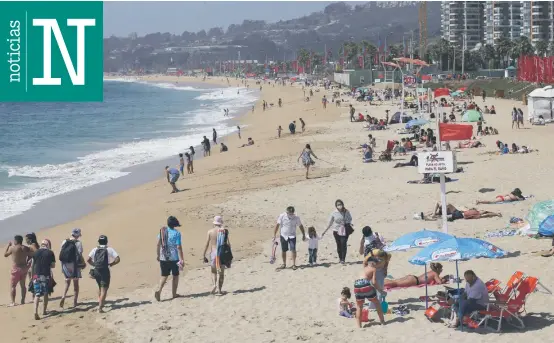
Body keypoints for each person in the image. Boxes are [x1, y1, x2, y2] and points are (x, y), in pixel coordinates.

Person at [87, 235, 120, 313]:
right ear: (106, 241)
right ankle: (100, 308)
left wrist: (94, 265)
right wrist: (111, 264)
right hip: (105, 271)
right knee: (104, 289)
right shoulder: (109, 249)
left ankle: (100, 303)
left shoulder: (95, 249)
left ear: (99, 241)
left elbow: (88, 259)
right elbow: (118, 259)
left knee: (100, 287)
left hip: (96, 270)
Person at [155, 216, 184, 301]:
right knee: (175, 275)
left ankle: (159, 290)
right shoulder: (177, 233)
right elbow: (178, 247)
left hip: (163, 257)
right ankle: (174, 294)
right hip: (174, 257)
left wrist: (158, 255)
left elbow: (158, 244)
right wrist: (182, 259)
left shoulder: (163, 232)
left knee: (164, 275)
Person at [354, 254, 386, 328]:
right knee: (377, 303)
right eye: (376, 263)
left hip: (356, 285)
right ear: (372, 263)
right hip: (365, 283)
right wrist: (380, 290)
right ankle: (382, 322)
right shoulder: (373, 269)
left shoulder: (363, 269)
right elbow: (374, 282)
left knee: (359, 306)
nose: (376, 265)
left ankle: (359, 326)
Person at [202, 216, 231, 295]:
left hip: (213, 253)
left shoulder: (210, 231)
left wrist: (203, 254)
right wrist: (229, 254)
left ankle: (214, 285)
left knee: (213, 271)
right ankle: (219, 290)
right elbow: (228, 244)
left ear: (214, 223)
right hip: (222, 253)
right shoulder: (224, 231)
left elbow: (207, 244)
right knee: (221, 273)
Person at [273, 206, 307, 270]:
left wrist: (303, 234)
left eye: (292, 213)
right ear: (287, 212)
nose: (291, 215)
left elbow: (300, 226)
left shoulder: (296, 217)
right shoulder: (282, 216)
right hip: (283, 235)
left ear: (293, 212)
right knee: (284, 250)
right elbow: (277, 225)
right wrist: (274, 234)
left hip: (292, 236)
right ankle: (284, 264)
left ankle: (294, 264)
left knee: (293, 250)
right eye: (289, 213)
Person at [59, 228, 85, 308]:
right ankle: (75, 302)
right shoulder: (78, 243)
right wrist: (83, 263)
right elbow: (79, 254)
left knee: (67, 282)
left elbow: (62, 253)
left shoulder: (64, 241)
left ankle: (63, 296)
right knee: (76, 284)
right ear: (78, 235)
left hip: (65, 264)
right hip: (75, 264)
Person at [31, 239, 55, 320]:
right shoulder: (50, 252)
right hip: (46, 275)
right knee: (45, 293)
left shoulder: (36, 252)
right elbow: (53, 265)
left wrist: (32, 276)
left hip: (36, 275)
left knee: (37, 294)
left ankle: (35, 312)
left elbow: (32, 265)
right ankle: (44, 311)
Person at [323, 199, 353, 264]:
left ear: (343, 204)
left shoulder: (346, 211)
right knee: (339, 245)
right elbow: (330, 223)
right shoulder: (334, 213)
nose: (339, 206)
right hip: (336, 231)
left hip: (344, 231)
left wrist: (346, 222)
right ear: (336, 206)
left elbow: (350, 219)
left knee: (343, 244)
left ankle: (343, 259)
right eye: (338, 205)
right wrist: (325, 231)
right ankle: (340, 258)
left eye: (340, 204)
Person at [4, 235, 31, 307]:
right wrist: (28, 261)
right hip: (24, 268)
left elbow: (5, 255)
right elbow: (31, 255)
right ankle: (23, 300)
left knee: (13, 286)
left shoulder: (13, 248)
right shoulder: (25, 248)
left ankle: (13, 302)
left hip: (16, 269)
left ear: (16, 241)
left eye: (14, 240)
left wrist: (8, 245)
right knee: (23, 286)